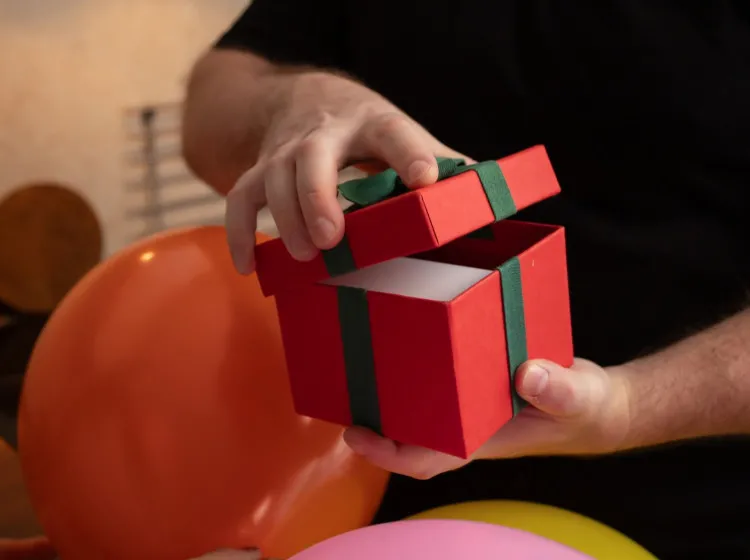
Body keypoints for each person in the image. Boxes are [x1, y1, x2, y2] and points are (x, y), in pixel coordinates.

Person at [182, 3, 750, 558]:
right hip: (385, 503)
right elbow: (214, 96)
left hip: (688, 513)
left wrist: (629, 404)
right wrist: (293, 100)